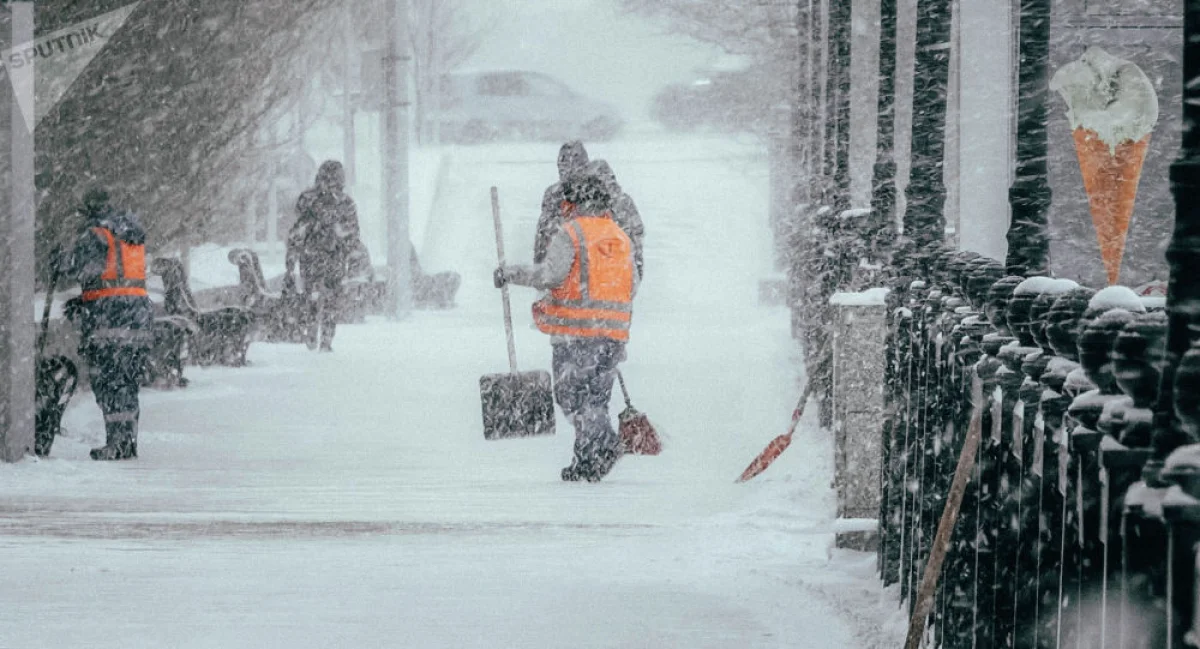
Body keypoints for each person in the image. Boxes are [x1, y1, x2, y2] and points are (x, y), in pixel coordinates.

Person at [495, 173, 639, 482]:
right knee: (596, 399)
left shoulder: (571, 233)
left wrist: (511, 274)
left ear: (572, 203)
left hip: (577, 335)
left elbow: (551, 275)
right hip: (613, 335)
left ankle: (604, 444)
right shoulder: (619, 236)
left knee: (571, 397)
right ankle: (586, 461)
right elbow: (633, 283)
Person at [62, 187, 154, 460]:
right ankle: (127, 442)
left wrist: (62, 260)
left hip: (109, 322)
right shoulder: (129, 233)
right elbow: (116, 277)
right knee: (127, 383)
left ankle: (116, 444)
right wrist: (86, 299)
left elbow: (84, 269)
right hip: (136, 317)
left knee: (109, 384)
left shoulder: (96, 234)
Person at [287, 160, 362, 352]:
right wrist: (350, 257)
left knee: (312, 297)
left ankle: (311, 335)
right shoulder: (345, 203)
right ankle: (325, 340)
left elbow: (297, 231)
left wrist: (292, 256)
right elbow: (353, 236)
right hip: (333, 257)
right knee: (330, 301)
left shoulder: (308, 199)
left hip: (312, 257)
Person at [533, 140, 590, 265]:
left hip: (591, 273)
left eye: (571, 166)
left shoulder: (596, 196)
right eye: (562, 166)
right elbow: (543, 234)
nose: (565, 172)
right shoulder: (553, 195)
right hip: (560, 272)